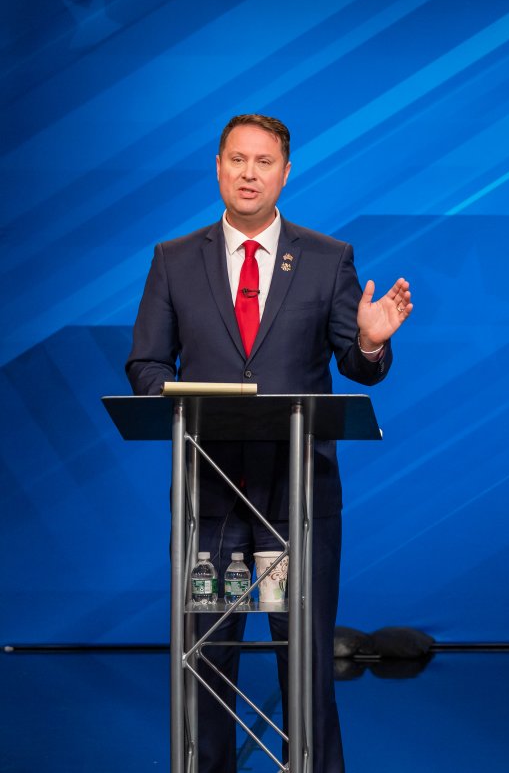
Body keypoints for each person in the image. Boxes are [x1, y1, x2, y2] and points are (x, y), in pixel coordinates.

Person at [127, 114, 413, 773]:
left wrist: (370, 339)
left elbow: (357, 363)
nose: (249, 173)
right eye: (237, 160)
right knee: (207, 663)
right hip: (213, 502)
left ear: (286, 172)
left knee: (305, 666)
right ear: (218, 167)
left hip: (297, 502)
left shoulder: (327, 257)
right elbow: (144, 364)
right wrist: (178, 399)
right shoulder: (173, 259)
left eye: (263, 162)